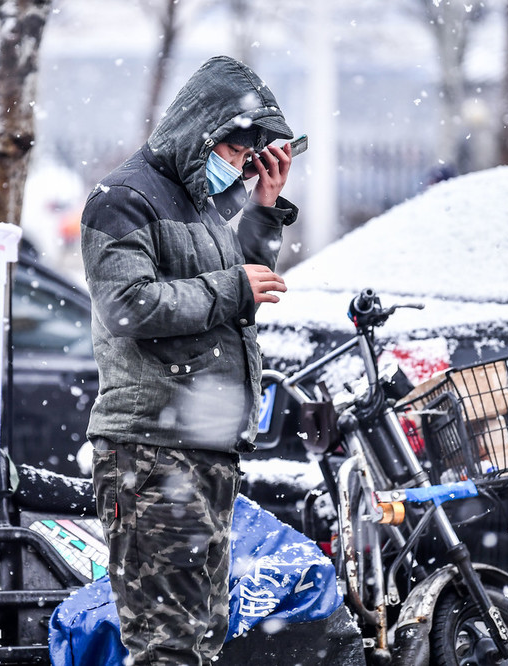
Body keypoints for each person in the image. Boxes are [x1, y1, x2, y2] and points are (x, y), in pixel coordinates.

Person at [79, 55, 298, 665]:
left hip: (202, 446)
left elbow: (240, 295)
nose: (239, 162)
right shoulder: (124, 200)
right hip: (151, 452)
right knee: (167, 642)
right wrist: (234, 288)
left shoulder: (202, 205)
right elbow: (127, 304)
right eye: (232, 146)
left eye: (250, 151)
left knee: (202, 634)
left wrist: (263, 207)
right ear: (198, 130)